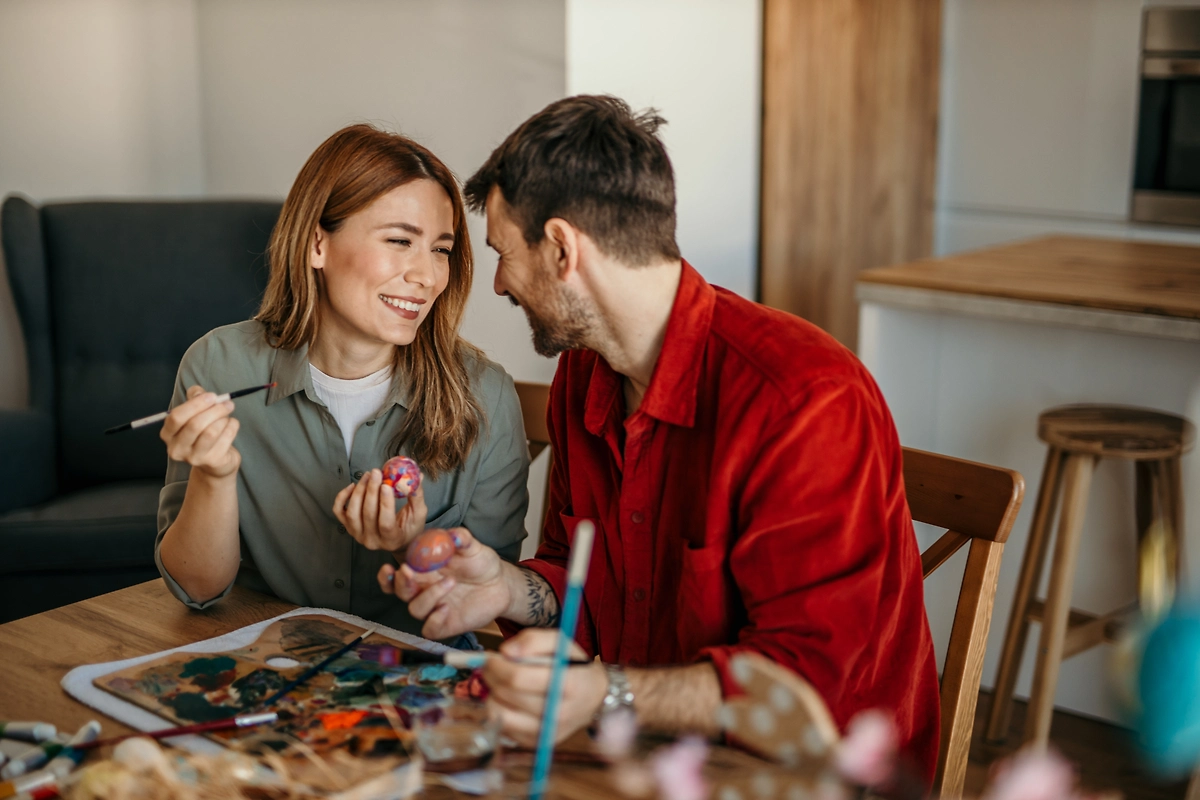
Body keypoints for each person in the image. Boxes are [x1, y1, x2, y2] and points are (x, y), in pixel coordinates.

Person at [380, 96, 941, 780]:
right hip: (638, 758)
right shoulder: (583, 375)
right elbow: (577, 577)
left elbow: (807, 682)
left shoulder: (805, 400)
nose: (497, 285)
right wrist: (504, 586)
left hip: (805, 778)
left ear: (562, 248)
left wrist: (605, 691)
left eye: (503, 254)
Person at [155, 124, 530, 639]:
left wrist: (409, 546)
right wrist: (214, 478)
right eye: (400, 241)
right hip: (267, 672)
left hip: (416, 691)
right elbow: (196, 588)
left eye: (441, 250)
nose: (427, 275)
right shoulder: (218, 369)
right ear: (316, 244)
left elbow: (492, 608)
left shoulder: (485, 396)